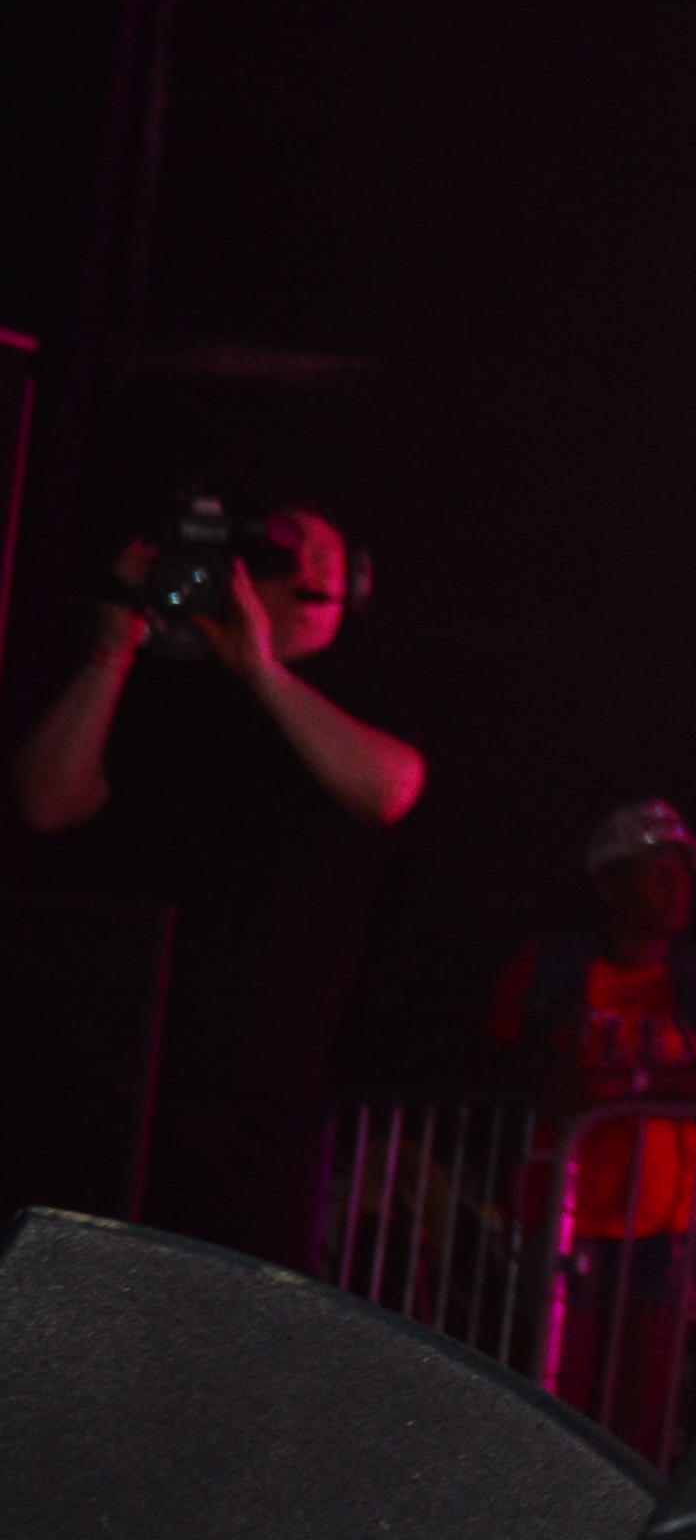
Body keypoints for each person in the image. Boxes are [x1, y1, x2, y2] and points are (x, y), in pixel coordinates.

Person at [13, 504, 424, 1262]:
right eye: (280, 565)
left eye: (322, 570)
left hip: (261, 1086)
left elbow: (388, 788)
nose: (307, 579)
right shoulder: (163, 689)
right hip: (125, 1065)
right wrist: (112, 651)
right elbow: (47, 802)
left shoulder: (353, 693)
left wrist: (259, 669)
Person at [484, 798, 696, 1452]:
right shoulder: (547, 966)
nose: (677, 886)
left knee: (639, 1416)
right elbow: (510, 1064)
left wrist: (629, 1086)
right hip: (562, 1214)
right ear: (607, 883)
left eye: (684, 872)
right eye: (655, 872)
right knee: (549, 1402)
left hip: (671, 1225)